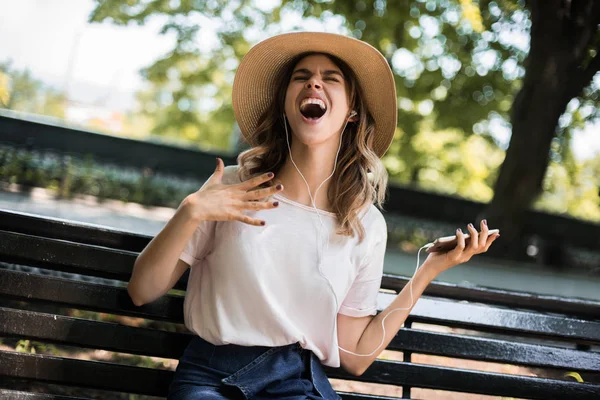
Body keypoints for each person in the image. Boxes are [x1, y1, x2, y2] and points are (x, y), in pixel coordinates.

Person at [127, 32, 500, 400]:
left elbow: (354, 356)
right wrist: (191, 211)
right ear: (286, 104)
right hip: (211, 379)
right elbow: (142, 291)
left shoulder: (365, 224)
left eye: (330, 79)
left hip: (296, 385)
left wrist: (428, 271)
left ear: (352, 110)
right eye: (301, 77)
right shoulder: (234, 189)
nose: (314, 84)